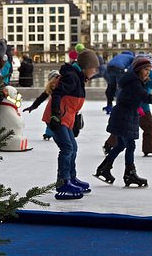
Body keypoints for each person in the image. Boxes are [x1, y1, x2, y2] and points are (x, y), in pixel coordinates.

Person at [94, 55, 152, 187]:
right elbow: (145, 96)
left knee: (120, 145)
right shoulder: (134, 82)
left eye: (150, 69)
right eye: (146, 69)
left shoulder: (131, 80)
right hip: (125, 116)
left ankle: (104, 168)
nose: (148, 72)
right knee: (130, 145)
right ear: (138, 70)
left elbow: (128, 97)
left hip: (123, 114)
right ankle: (129, 174)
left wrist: (137, 108)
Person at [42, 48, 99, 200]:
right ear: (86, 66)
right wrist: (54, 115)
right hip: (57, 118)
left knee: (73, 147)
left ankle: (71, 177)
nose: (94, 71)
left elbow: (72, 104)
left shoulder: (78, 77)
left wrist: (73, 123)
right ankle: (62, 183)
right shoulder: (71, 76)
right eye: (93, 67)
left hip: (65, 119)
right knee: (67, 148)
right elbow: (57, 94)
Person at [24, 69, 60, 140]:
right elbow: (43, 96)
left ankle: (51, 133)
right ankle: (49, 133)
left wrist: (33, 106)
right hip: (59, 105)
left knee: (51, 118)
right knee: (51, 118)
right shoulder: (57, 83)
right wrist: (33, 106)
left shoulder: (58, 83)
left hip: (58, 105)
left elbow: (42, 97)